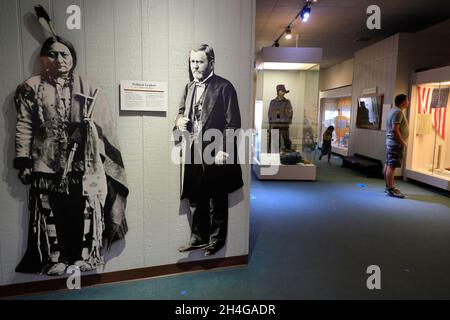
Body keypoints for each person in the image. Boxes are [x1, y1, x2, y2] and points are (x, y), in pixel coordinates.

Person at [14, 36, 128, 276]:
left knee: (83, 208)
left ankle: (84, 256)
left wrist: (88, 133)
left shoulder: (88, 86)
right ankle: (56, 257)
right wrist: (23, 159)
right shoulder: (31, 87)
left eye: (64, 54)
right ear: (44, 58)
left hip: (82, 162)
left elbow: (105, 126)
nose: (59, 59)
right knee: (52, 211)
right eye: (53, 54)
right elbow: (24, 125)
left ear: (73, 57)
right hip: (46, 162)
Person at [174, 44, 243, 257]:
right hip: (193, 149)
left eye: (199, 61)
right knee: (195, 195)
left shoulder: (225, 87)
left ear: (211, 63)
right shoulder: (188, 87)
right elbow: (179, 112)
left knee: (216, 197)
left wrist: (224, 149)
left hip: (216, 150)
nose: (195, 65)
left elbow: (234, 123)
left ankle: (216, 240)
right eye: (192, 61)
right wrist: (179, 122)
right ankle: (198, 237)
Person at [384, 94, 410, 198]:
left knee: (388, 164)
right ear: (403, 102)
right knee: (392, 166)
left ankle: (388, 186)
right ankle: (390, 189)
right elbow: (395, 129)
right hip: (395, 144)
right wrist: (401, 142)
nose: (408, 102)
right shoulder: (398, 112)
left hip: (391, 143)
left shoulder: (393, 110)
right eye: (407, 100)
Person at [268, 85, 293, 151]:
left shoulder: (287, 102)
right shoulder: (272, 102)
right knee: (275, 143)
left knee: (287, 141)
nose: (283, 93)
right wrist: (271, 124)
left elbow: (290, 112)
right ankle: (275, 157)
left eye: (284, 91)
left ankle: (289, 157)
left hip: (284, 125)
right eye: (282, 91)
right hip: (275, 124)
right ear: (278, 92)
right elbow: (270, 114)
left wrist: (286, 119)